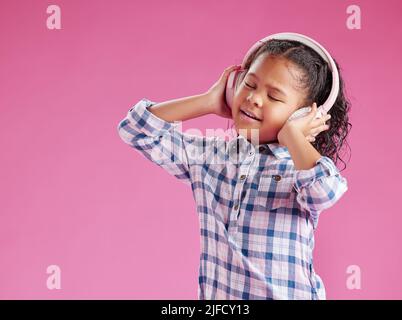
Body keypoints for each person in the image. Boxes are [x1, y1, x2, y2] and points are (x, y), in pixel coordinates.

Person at [117, 38, 351, 300]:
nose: (253, 98)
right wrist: (207, 102)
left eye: (273, 96)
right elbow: (136, 130)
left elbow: (324, 191)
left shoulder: (300, 170)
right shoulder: (212, 157)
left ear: (303, 115)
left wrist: (293, 134)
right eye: (249, 84)